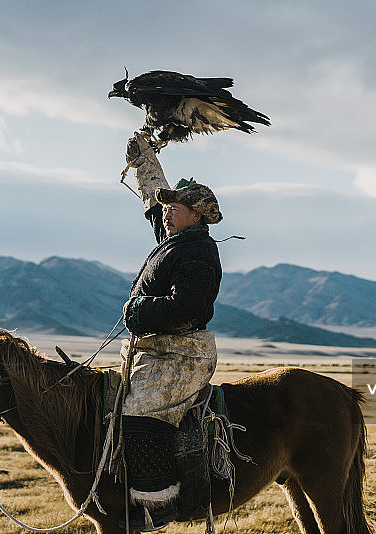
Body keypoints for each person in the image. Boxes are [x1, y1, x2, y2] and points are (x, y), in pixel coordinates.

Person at [119, 131, 222, 531]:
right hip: (157, 351)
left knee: (140, 418)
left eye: (175, 207)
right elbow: (153, 201)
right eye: (169, 207)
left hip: (183, 353)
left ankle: (159, 507)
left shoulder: (196, 251)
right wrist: (144, 159)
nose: (166, 212)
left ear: (196, 215)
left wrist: (139, 312)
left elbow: (189, 309)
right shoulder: (176, 240)